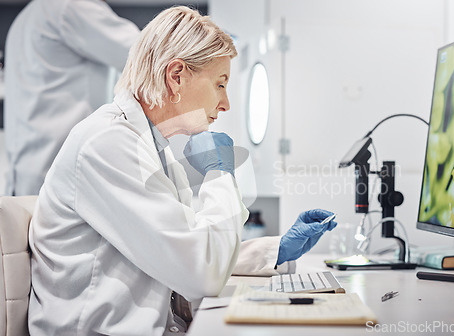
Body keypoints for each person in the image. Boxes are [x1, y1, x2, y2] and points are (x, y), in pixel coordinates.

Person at [28, 6, 337, 335]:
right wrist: (220, 173)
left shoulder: (149, 146)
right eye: (220, 84)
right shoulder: (107, 144)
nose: (225, 103)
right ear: (176, 76)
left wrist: (275, 250)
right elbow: (201, 271)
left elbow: (187, 245)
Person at [3, 0, 140, 196]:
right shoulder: (72, 7)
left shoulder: (27, 16)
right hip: (58, 174)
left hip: (24, 177)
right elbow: (148, 55)